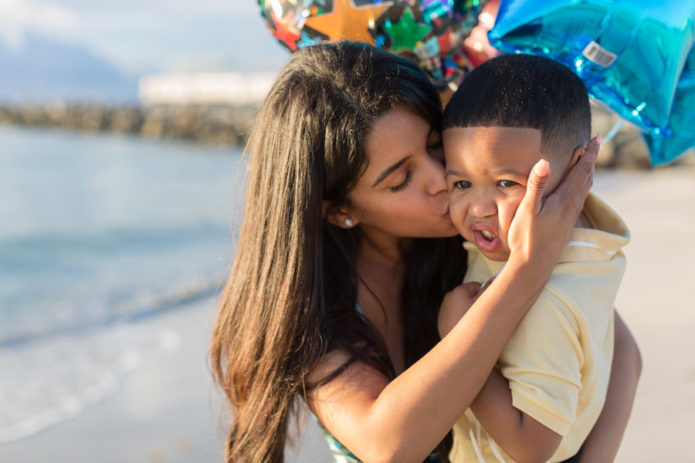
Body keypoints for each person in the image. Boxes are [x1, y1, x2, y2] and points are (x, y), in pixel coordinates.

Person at [210, 41, 641, 463]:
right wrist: (525, 272)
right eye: (401, 179)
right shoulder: (313, 309)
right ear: (339, 209)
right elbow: (388, 445)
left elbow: (620, 352)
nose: (443, 179)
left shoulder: (477, 235)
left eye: (436, 147)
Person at [439, 54, 632, 463]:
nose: (478, 209)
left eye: (506, 183)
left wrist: (457, 336)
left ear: (578, 171)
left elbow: (532, 447)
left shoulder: (549, 303)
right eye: (461, 182)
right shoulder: (587, 246)